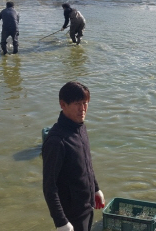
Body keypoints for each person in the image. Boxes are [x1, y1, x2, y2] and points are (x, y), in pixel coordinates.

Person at [43, 81, 105, 231]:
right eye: (77, 104)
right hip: (71, 215)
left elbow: (86, 163)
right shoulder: (57, 141)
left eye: (85, 103)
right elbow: (49, 186)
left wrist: (96, 189)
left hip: (87, 206)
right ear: (63, 105)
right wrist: (61, 222)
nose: (83, 109)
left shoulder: (80, 127)